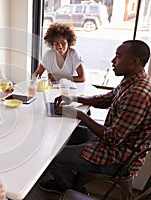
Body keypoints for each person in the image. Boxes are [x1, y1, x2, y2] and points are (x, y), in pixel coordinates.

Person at [39, 40, 151, 193]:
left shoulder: (137, 94)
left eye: (118, 56)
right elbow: (104, 100)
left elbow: (113, 138)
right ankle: (69, 176)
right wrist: (73, 98)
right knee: (65, 136)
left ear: (135, 61)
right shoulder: (133, 81)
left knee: (50, 155)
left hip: (117, 156)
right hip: (110, 143)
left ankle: (70, 189)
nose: (113, 61)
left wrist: (78, 114)